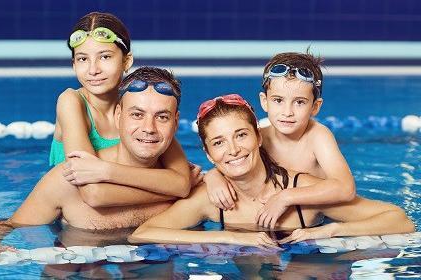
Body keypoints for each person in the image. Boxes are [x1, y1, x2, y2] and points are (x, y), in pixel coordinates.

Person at [0, 67, 190, 262]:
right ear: (119, 115)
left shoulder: (191, 180)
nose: (148, 128)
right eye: (137, 114)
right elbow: (7, 224)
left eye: (162, 117)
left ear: (176, 122)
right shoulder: (66, 181)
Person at [130, 94, 415, 247]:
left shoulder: (301, 191)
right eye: (219, 142)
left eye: (241, 135)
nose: (232, 150)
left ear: (258, 137)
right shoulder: (211, 199)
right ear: (207, 153)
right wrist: (230, 237)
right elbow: (141, 234)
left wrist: (331, 231)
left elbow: (400, 221)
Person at [50, 12, 194, 207]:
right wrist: (169, 191)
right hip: (70, 216)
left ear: (127, 61)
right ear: (74, 65)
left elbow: (181, 183)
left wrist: (105, 170)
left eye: (105, 57)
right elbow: (93, 194)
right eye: (83, 59)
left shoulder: (139, 108)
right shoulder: (71, 101)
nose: (93, 70)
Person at [204, 51, 356, 229]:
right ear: (264, 101)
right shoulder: (260, 137)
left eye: (299, 102)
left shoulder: (318, 137)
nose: (287, 112)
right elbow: (232, 160)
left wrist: (286, 197)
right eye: (278, 100)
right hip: (270, 217)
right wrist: (212, 176)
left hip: (315, 222)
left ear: (315, 107)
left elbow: (346, 189)